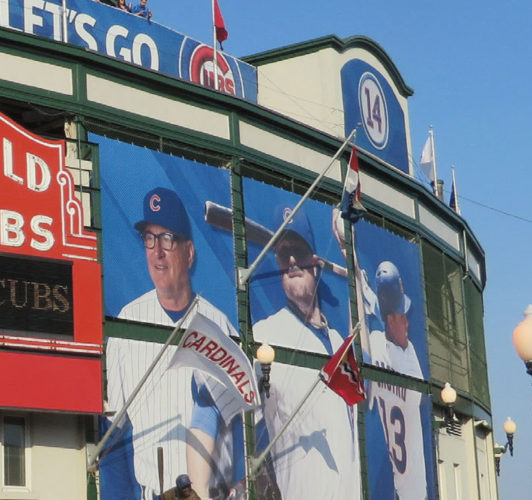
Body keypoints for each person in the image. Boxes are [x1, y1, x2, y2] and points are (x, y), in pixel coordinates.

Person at [107, 187, 240, 500]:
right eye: (149, 239)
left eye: (167, 238)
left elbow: (243, 426)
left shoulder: (219, 325)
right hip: (155, 492)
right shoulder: (128, 322)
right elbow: (113, 431)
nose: (157, 251)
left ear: (189, 252)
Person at [251, 206, 360, 500]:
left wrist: (349, 251)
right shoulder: (264, 336)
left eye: (297, 251)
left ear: (314, 261)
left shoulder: (340, 341)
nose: (290, 261)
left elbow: (364, 318)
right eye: (282, 253)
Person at [364, 261, 425, 500]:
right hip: (403, 483)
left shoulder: (382, 344)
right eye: (402, 316)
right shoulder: (382, 346)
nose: (406, 322)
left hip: (411, 484)